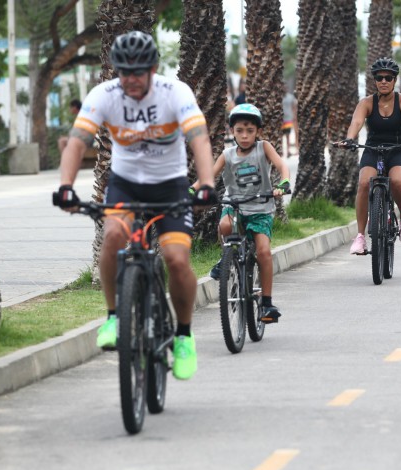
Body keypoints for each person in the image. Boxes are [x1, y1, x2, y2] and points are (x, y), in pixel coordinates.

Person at [54, 31, 217, 381]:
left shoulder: (175, 93)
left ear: (154, 68)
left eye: (138, 71)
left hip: (169, 185)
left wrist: (206, 183)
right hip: (125, 184)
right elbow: (78, 140)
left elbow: (199, 138)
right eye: (123, 71)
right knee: (113, 235)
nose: (130, 79)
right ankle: (114, 317)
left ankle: (184, 336)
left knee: (176, 258)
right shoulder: (105, 95)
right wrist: (65, 187)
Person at [192, 103, 291, 324]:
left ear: (258, 132)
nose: (244, 136)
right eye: (239, 131)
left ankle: (266, 302)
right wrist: (192, 189)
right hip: (234, 205)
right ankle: (225, 258)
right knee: (225, 226)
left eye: (249, 131)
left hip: (260, 209)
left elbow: (282, 166)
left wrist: (283, 182)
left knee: (264, 251)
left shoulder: (263, 147)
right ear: (232, 132)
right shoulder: (227, 155)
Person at [334, 57, 401, 255]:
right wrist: (349, 139)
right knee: (364, 183)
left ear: (394, 80)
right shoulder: (366, 103)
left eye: (388, 78)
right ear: (374, 80)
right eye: (379, 78)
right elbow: (356, 123)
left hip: (398, 149)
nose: (383, 81)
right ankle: (360, 237)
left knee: (398, 180)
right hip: (373, 149)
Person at [281, 85, 298, 158]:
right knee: (280, 136)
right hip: (281, 119)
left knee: (288, 135)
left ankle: (288, 151)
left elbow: (294, 106)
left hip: (288, 119)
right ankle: (281, 151)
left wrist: (294, 115)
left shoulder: (290, 97)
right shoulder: (278, 96)